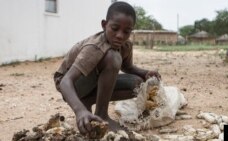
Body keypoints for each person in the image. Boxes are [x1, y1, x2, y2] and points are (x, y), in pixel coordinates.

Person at [53, 1, 161, 135]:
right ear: (104, 25)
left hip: (91, 81)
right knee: (112, 57)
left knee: (138, 84)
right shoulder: (94, 47)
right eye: (115, 28)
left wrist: (145, 73)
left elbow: (127, 67)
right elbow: (65, 81)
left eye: (126, 31)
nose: (120, 35)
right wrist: (79, 110)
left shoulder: (126, 45)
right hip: (72, 86)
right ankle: (101, 114)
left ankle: (88, 100)